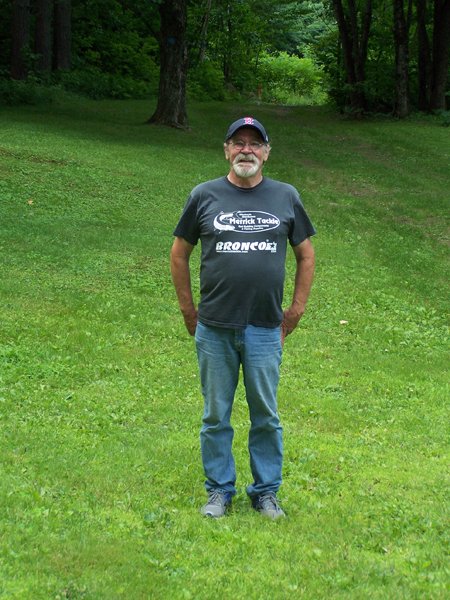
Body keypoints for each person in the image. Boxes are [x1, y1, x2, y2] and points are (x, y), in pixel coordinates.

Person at [170, 116, 316, 519]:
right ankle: (219, 491)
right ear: (226, 150)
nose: (246, 150)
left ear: (266, 152)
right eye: (239, 143)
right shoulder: (204, 196)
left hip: (265, 329)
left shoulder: (286, 196)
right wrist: (188, 311)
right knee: (215, 415)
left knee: (265, 415)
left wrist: (295, 312)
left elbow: (306, 255)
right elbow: (179, 253)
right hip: (214, 327)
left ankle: (265, 492)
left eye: (255, 143)